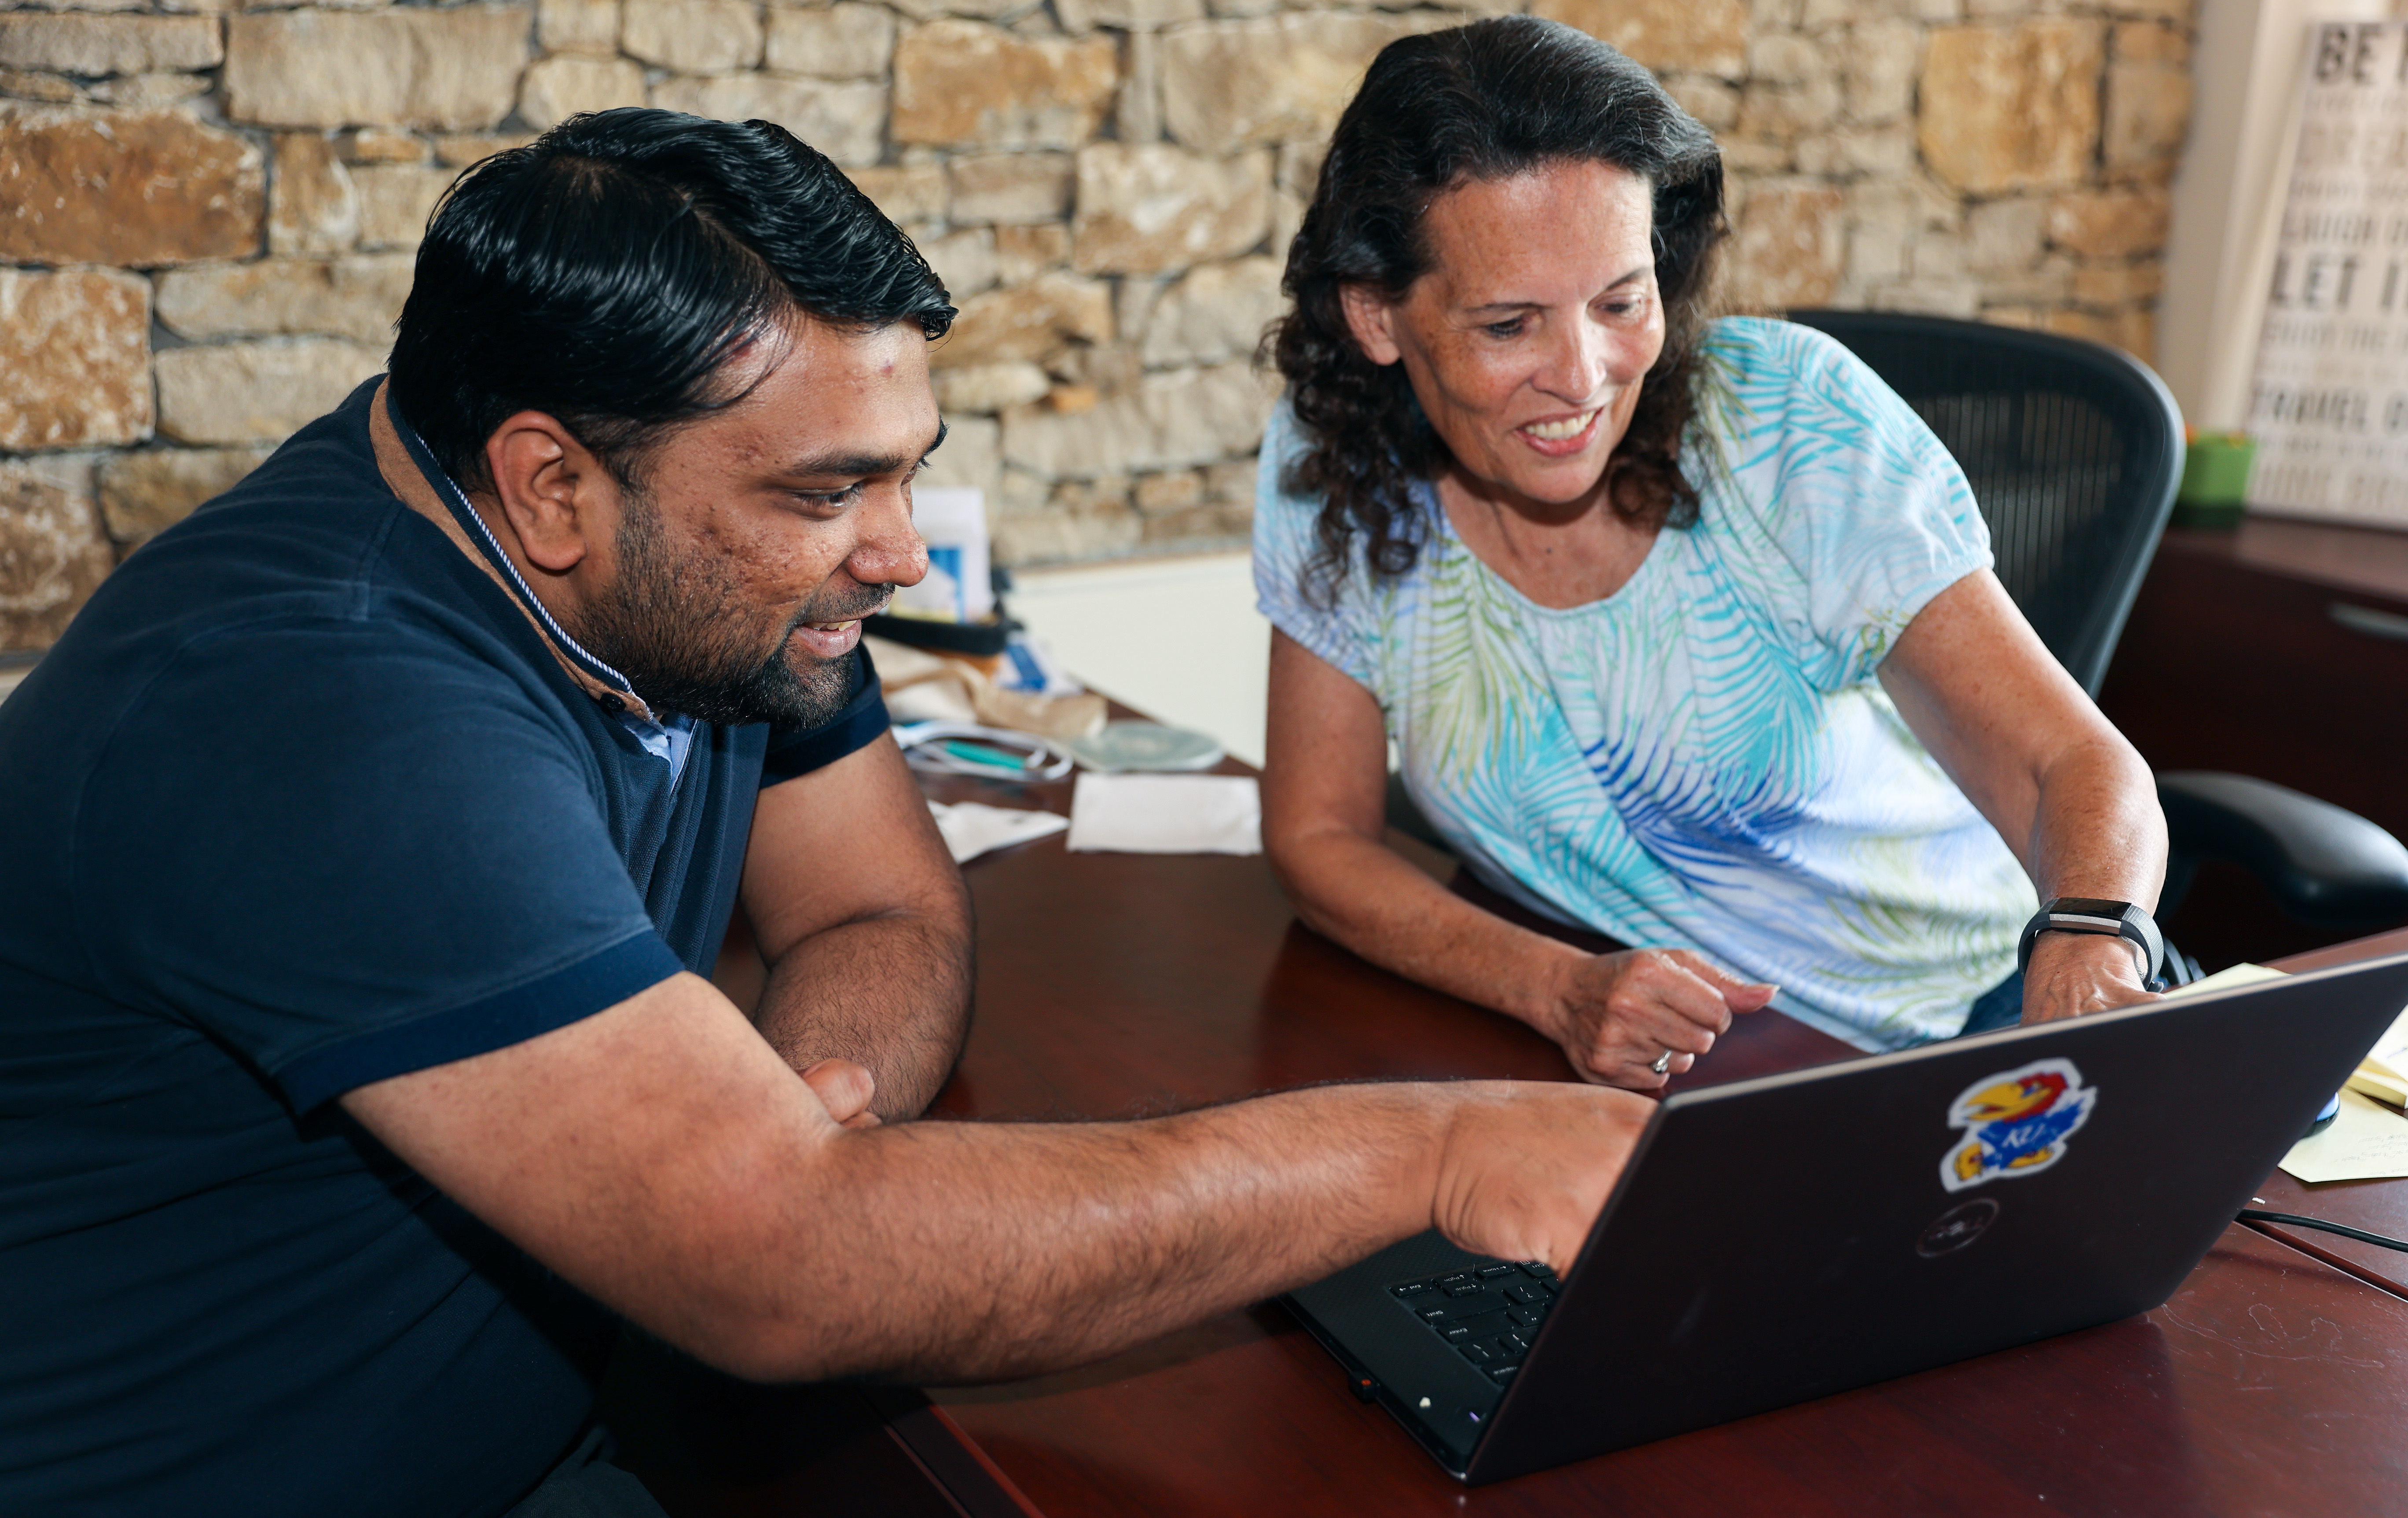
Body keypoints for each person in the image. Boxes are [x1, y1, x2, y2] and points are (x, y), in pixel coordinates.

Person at [0, 109, 1651, 1517]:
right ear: (550, 484)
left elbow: (878, 907)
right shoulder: (325, 709)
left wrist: (796, 1110)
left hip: (538, 1418)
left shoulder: (707, 580)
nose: (899, 551)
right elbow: (781, 1266)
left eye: (903, 465)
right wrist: (1429, 1146)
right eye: (827, 490)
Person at [1256, 18, 2170, 1088]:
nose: (1583, 373)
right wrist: (1554, 984)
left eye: (1620, 301)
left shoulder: (1783, 420)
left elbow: (2072, 761)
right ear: (1376, 314)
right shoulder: (1335, 470)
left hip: (1985, 1010)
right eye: (1509, 325)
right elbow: (1319, 834)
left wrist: (2093, 938)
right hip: (1691, 1065)